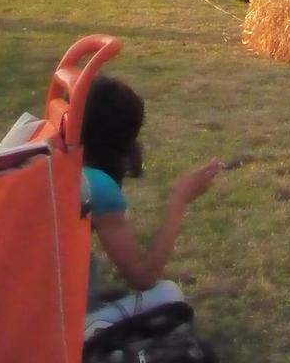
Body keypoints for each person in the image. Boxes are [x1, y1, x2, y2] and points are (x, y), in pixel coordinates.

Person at [80, 75, 221, 353]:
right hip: (51, 331)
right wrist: (179, 200)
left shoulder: (49, 153)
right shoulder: (96, 185)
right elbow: (143, 277)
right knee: (169, 295)